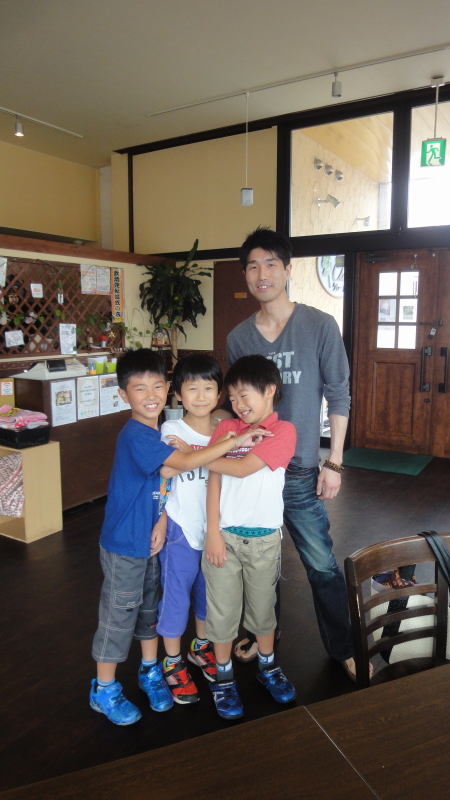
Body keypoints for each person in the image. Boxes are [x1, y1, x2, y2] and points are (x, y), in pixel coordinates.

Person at [90, 348, 268, 726]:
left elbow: (163, 481)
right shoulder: (141, 436)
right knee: (119, 616)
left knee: (149, 609)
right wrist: (232, 442)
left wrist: (159, 518)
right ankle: (103, 688)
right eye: (140, 388)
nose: (151, 395)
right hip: (125, 543)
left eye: (157, 386)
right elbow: (182, 464)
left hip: (150, 538)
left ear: (167, 388)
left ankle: (150, 670)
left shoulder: (153, 431)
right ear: (123, 394)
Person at [225, 227, 358, 682]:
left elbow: (338, 393)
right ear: (246, 275)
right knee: (259, 562)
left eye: (270, 264)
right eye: (252, 266)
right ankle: (266, 633)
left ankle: (344, 648)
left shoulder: (320, 325)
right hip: (255, 469)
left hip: (300, 470)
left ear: (287, 269)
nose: (261, 274)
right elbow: (237, 405)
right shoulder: (239, 337)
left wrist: (334, 461)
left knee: (321, 565)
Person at [203, 355, 297, 719]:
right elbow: (214, 483)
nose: (238, 404)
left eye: (245, 395)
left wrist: (193, 457)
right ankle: (224, 678)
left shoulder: (283, 431)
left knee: (262, 612)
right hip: (224, 538)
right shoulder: (227, 428)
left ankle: (268, 667)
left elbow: (242, 469)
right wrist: (213, 532)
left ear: (269, 390)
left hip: (264, 541)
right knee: (222, 613)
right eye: (233, 398)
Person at [157, 354, 223, 704]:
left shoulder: (225, 430)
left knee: (208, 594)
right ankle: (172, 661)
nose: (200, 396)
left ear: (219, 393)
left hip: (214, 529)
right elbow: (169, 468)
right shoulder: (171, 430)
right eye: (192, 388)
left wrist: (196, 453)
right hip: (181, 528)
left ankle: (200, 647)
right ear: (178, 394)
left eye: (208, 388)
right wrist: (212, 453)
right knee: (176, 596)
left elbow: (199, 461)